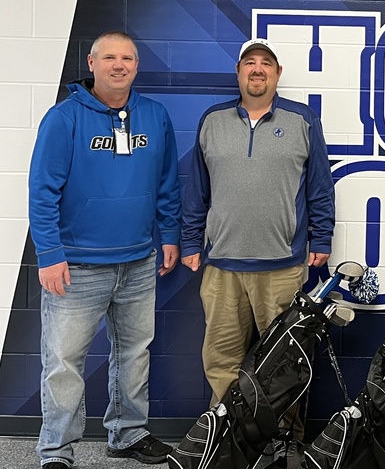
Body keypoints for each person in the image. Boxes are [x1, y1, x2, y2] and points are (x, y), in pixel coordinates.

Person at [29, 31, 181, 468]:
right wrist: (50, 254)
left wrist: (169, 234)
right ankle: (56, 450)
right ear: (92, 63)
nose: (119, 65)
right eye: (109, 57)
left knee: (134, 356)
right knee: (63, 364)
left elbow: (168, 183)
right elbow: (42, 191)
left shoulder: (155, 116)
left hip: (138, 261)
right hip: (76, 266)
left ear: (137, 66)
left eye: (128, 58)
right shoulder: (64, 118)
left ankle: (128, 434)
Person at [180, 38, 335, 439]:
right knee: (222, 360)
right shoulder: (212, 121)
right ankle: (225, 435)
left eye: (266, 63)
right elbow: (197, 189)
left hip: (282, 267)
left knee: (286, 360)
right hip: (222, 266)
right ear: (239, 73)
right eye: (249, 62)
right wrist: (192, 243)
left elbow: (320, 185)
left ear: (278, 74)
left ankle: (285, 439)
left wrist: (322, 238)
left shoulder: (303, 120)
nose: (257, 69)